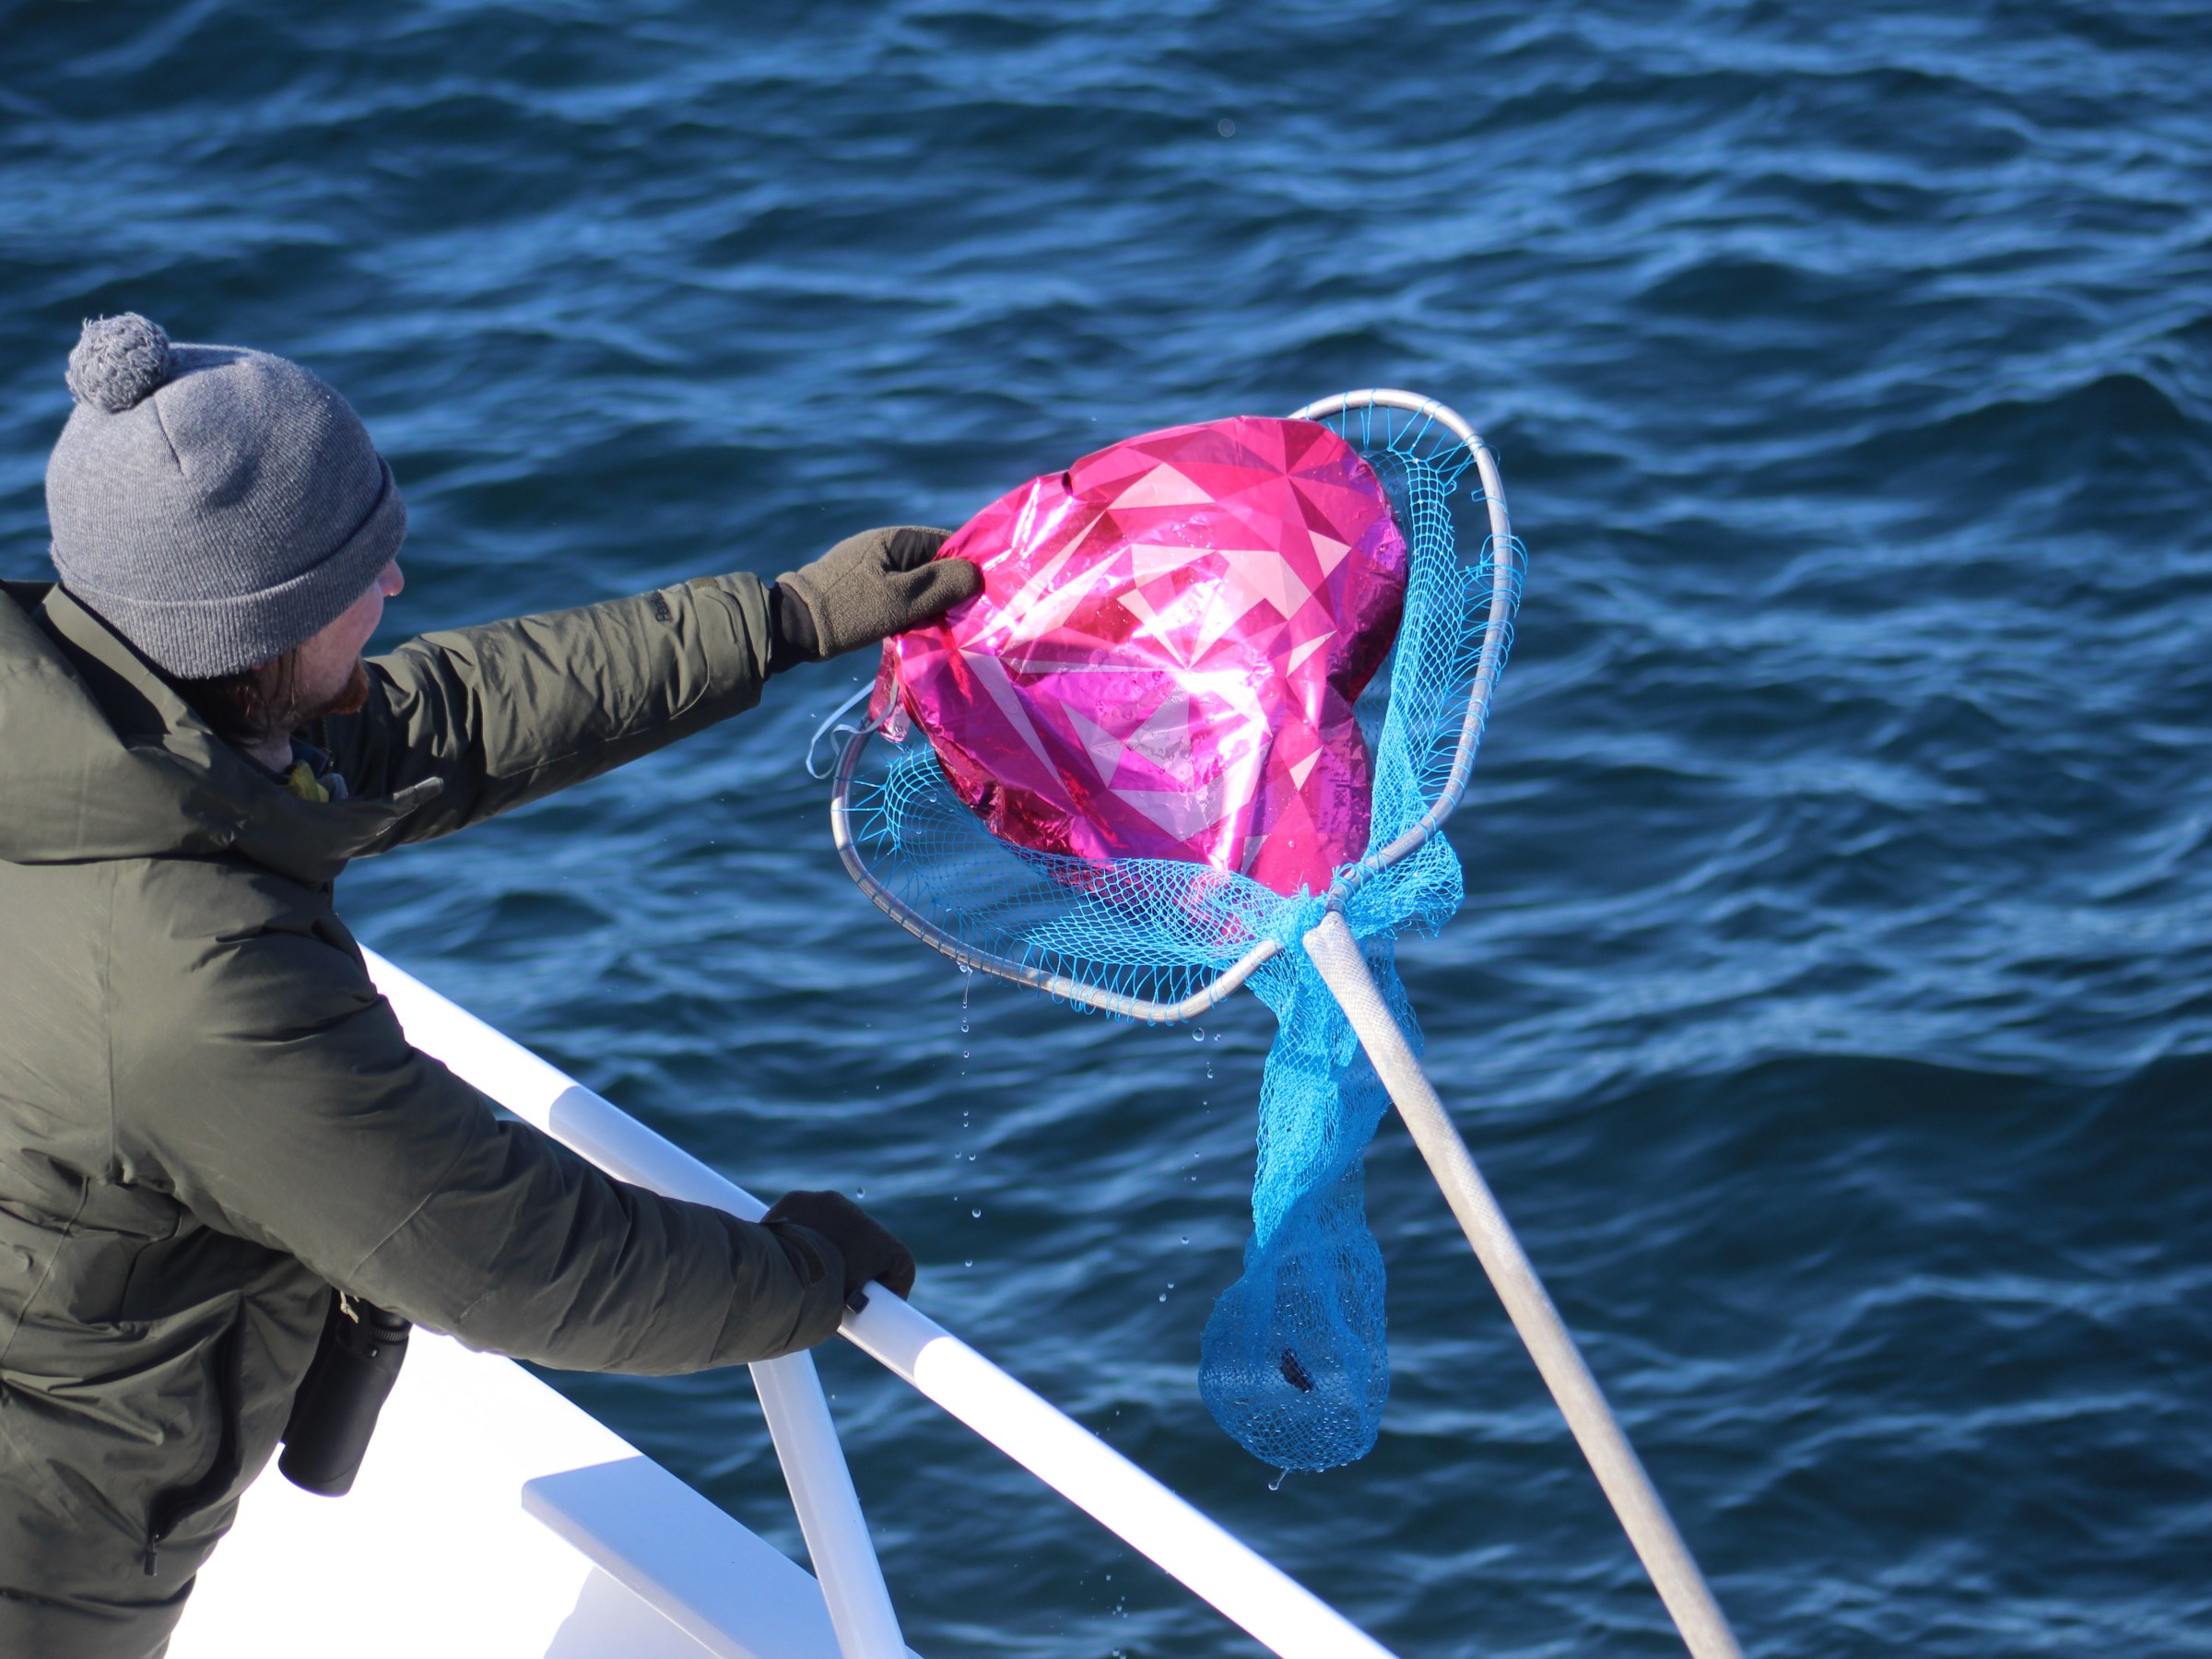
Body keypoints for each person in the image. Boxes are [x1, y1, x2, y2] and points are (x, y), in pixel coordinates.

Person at [0, 313, 981, 1657]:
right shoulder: (194, 991)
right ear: (257, 625)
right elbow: (526, 1259)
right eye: (363, 568)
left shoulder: (98, 733)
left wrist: (781, 621)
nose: (398, 580)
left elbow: (437, 720)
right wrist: (804, 1277)